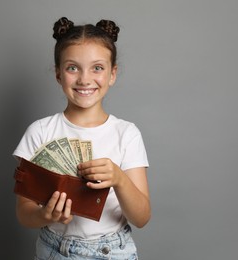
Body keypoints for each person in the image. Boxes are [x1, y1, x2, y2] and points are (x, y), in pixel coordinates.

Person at [13, 17, 150, 259]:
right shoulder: (40, 131)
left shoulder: (126, 134)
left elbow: (141, 218)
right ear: (58, 75)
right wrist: (46, 215)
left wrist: (119, 179)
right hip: (53, 249)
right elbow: (24, 213)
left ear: (112, 74)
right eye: (72, 67)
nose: (84, 79)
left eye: (97, 67)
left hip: (113, 251)